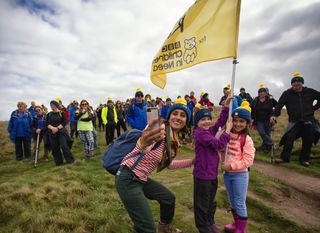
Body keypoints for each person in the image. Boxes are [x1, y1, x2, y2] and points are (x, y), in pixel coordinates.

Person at [115, 98, 194, 233]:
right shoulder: (160, 129)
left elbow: (168, 165)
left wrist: (192, 162)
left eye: (183, 115)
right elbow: (142, 146)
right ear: (169, 116)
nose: (178, 118)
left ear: (187, 120)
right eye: (175, 113)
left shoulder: (173, 138)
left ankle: (163, 228)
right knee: (147, 228)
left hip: (141, 178)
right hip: (128, 177)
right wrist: (143, 143)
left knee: (168, 198)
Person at [193, 96, 233, 233]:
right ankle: (203, 227)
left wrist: (226, 107)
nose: (206, 122)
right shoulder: (200, 134)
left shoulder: (208, 130)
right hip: (202, 176)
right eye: (202, 120)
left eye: (208, 119)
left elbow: (218, 124)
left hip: (211, 175)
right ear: (197, 123)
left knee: (211, 201)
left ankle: (210, 222)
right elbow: (218, 144)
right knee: (202, 204)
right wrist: (227, 131)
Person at [271, 72, 320, 167]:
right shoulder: (287, 93)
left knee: (308, 140)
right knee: (289, 138)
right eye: (294, 83)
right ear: (292, 84)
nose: (296, 85)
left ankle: (304, 160)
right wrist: (274, 115)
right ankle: (284, 158)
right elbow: (279, 105)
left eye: (299, 83)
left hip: (308, 120)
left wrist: (315, 107)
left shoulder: (309, 91)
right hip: (294, 121)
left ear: (302, 83)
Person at [221, 101, 255, 233]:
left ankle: (241, 229)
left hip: (240, 174)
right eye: (235, 120)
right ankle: (235, 224)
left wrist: (231, 166)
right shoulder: (227, 135)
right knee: (232, 200)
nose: (238, 124)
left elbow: (248, 160)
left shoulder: (247, 139)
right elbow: (220, 150)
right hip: (227, 174)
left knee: (240, 202)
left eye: (241, 121)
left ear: (247, 123)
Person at [46, 100, 75, 166]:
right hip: (52, 133)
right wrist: (52, 128)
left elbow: (64, 122)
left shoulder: (61, 113)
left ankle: (70, 160)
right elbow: (47, 123)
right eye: (50, 105)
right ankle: (58, 162)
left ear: (56, 105)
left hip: (61, 132)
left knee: (64, 146)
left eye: (52, 105)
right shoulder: (49, 114)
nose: (51, 107)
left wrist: (57, 128)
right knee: (55, 148)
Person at [251, 84, 278, 152]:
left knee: (267, 134)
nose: (262, 94)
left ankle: (265, 148)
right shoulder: (255, 100)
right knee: (262, 133)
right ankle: (272, 144)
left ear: (266, 93)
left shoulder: (270, 100)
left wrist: (274, 115)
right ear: (259, 93)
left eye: (264, 92)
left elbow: (278, 106)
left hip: (268, 120)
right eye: (261, 92)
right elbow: (251, 109)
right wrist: (251, 118)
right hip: (258, 120)